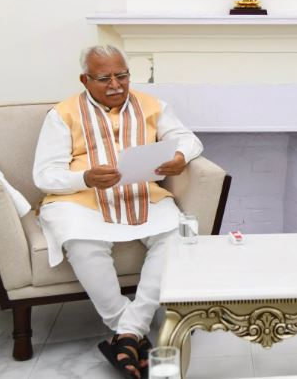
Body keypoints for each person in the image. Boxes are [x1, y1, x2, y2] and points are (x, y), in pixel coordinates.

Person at [33, 45, 203, 378]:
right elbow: (44, 175)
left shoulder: (153, 105)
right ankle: (132, 331)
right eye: (104, 78)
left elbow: (189, 140)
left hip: (142, 193)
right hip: (81, 199)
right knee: (81, 240)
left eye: (122, 75)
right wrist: (85, 177)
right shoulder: (62, 114)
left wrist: (180, 157)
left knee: (177, 236)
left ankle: (126, 336)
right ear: (85, 79)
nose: (115, 84)